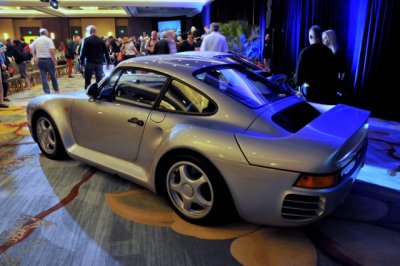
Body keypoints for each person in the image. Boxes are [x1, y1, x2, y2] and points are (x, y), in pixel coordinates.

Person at [295, 25, 337, 104]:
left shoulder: (304, 52)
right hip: (327, 95)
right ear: (320, 37)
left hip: (310, 95)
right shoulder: (329, 52)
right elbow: (334, 75)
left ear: (310, 36)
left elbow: (298, 79)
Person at [80, 25, 111, 90]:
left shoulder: (86, 40)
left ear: (89, 31)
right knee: (99, 80)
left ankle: (87, 91)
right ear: (95, 31)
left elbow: (83, 52)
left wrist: (82, 63)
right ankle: (98, 92)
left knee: (88, 79)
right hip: (99, 63)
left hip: (89, 62)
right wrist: (108, 62)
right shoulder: (101, 40)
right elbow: (106, 52)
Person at [31, 28, 59, 94]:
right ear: (46, 33)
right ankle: (56, 89)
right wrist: (54, 59)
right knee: (52, 75)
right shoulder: (48, 40)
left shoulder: (36, 40)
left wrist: (35, 57)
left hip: (40, 60)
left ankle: (47, 92)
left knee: (43, 77)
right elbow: (51, 50)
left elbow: (31, 48)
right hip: (48, 60)